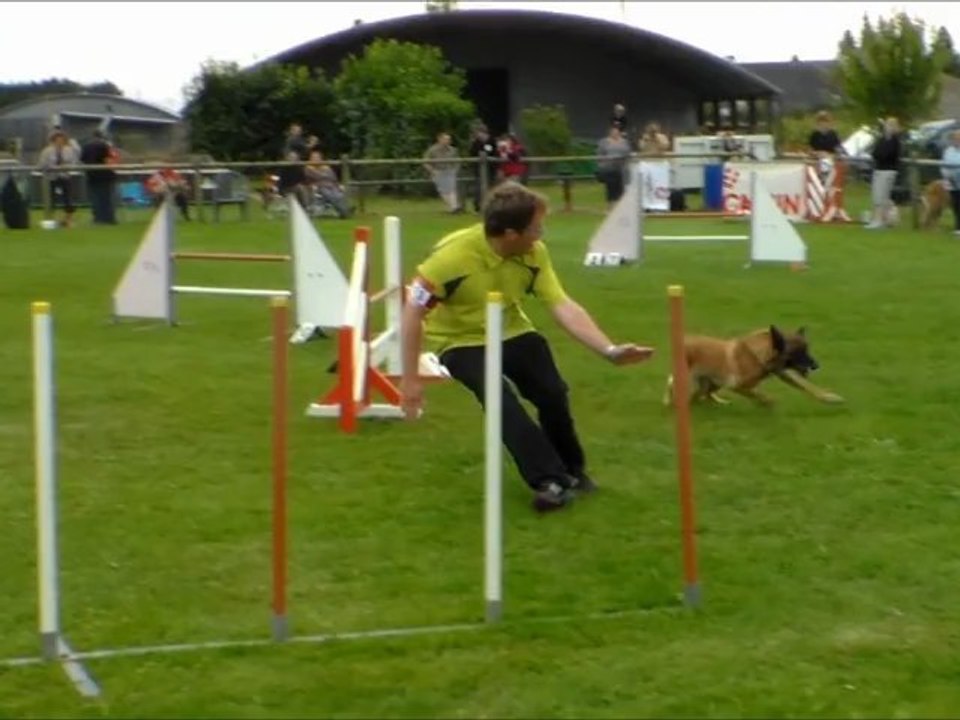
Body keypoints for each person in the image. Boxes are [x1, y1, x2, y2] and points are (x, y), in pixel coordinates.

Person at [399, 182, 655, 513]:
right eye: (535, 228)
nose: (541, 234)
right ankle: (549, 481)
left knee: (552, 392)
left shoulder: (534, 254)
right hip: (460, 340)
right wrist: (410, 379)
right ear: (509, 234)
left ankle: (572, 470)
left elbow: (561, 305)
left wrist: (609, 351)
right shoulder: (448, 261)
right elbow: (412, 312)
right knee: (500, 399)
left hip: (512, 329)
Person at [36, 128, 80, 228]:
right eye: (58, 139)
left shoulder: (69, 150)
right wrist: (50, 167)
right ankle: (51, 220)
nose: (60, 141)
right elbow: (41, 164)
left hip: (65, 176)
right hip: (51, 178)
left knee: (68, 198)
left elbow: (74, 163)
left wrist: (67, 166)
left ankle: (68, 220)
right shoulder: (46, 151)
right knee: (51, 199)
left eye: (62, 139)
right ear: (53, 140)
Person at [866, 117, 902, 229]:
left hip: (889, 170)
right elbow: (875, 153)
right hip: (879, 169)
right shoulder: (881, 139)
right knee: (877, 195)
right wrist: (879, 155)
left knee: (882, 196)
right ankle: (880, 219)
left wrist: (881, 155)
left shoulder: (895, 141)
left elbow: (889, 155)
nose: (888, 128)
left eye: (891, 126)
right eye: (887, 125)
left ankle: (880, 220)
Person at [80, 129, 117, 224]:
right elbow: (109, 159)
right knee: (106, 197)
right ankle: (109, 218)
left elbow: (82, 159)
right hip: (105, 175)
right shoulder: (105, 145)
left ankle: (97, 218)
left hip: (91, 175)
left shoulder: (86, 146)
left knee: (95, 198)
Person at [423, 131, 462, 213]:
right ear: (439, 139)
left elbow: (457, 161)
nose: (447, 141)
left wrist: (455, 170)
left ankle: (454, 207)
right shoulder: (432, 150)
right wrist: (432, 171)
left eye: (448, 139)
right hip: (438, 171)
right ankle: (451, 207)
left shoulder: (453, 150)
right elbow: (426, 162)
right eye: (445, 139)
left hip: (449, 171)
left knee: (451, 189)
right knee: (443, 190)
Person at [596, 124, 632, 208]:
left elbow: (628, 153)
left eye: (616, 131)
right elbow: (600, 154)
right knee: (610, 186)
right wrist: (601, 165)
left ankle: (620, 205)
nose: (615, 133)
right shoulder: (604, 142)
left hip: (622, 168)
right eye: (613, 131)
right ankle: (610, 205)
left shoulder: (624, 142)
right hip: (609, 168)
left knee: (621, 187)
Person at [942, 129, 960, 237]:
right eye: (956, 139)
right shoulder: (948, 151)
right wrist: (947, 176)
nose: (957, 141)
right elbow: (944, 165)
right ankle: (957, 227)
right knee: (955, 204)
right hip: (951, 182)